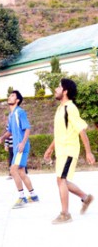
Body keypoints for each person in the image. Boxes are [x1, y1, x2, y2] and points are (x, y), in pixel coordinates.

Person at [44, 78, 95, 224]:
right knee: (61, 180)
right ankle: (85, 198)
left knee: (61, 180)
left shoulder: (70, 108)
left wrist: (88, 152)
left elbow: (81, 130)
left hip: (69, 150)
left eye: (59, 87)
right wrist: (50, 149)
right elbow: (61, 133)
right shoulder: (61, 108)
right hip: (61, 150)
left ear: (65, 91)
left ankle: (65, 214)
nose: (56, 89)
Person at [0, 90, 39, 209]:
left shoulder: (20, 112)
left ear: (17, 100)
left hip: (21, 146)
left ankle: (22, 197)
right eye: (9, 95)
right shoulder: (11, 115)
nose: (9, 97)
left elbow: (27, 129)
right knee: (21, 171)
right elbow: (10, 131)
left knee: (13, 169)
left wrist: (22, 143)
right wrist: (2, 137)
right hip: (17, 147)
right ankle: (33, 195)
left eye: (12, 96)